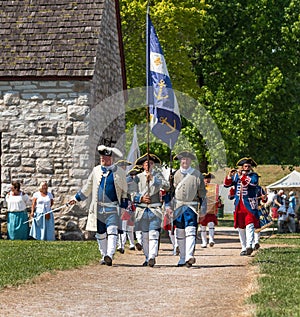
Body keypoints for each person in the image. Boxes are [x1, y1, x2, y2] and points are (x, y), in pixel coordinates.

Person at [69, 145, 128, 266]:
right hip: (98, 207)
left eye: (105, 157)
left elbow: (124, 193)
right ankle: (103, 254)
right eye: (101, 157)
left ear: (110, 158)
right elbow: (88, 187)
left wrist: (123, 207)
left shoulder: (120, 172)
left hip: (113, 207)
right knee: (101, 233)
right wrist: (76, 198)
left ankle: (110, 255)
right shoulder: (96, 170)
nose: (102, 159)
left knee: (112, 230)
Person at [166, 151, 206, 267]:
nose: (185, 161)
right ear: (180, 161)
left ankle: (189, 256)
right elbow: (169, 193)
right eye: (183, 159)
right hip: (178, 207)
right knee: (180, 232)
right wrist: (168, 206)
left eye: (187, 159)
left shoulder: (197, 175)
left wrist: (203, 208)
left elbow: (202, 194)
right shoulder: (173, 175)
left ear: (191, 161)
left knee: (191, 231)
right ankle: (182, 257)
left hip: (191, 207)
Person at [133, 153, 169, 267]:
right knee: (145, 235)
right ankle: (147, 257)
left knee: (154, 233)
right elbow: (131, 193)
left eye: (151, 163)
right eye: (146, 164)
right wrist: (141, 198)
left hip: (155, 209)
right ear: (143, 166)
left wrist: (153, 179)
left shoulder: (158, 176)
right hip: (142, 210)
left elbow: (167, 186)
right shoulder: (137, 178)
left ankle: (152, 256)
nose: (149, 166)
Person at [224, 157, 260, 256]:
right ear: (242, 167)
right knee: (241, 227)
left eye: (249, 166)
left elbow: (252, 183)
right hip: (238, 205)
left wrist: (241, 176)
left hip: (249, 205)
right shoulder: (236, 176)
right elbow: (226, 185)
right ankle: (243, 247)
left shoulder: (254, 176)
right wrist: (230, 176)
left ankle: (249, 245)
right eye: (245, 166)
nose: (247, 168)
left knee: (250, 225)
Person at [115, 160, 133, 254]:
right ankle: (118, 244)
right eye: (122, 166)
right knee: (117, 225)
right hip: (116, 203)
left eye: (124, 166)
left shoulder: (128, 179)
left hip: (126, 204)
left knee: (124, 224)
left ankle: (121, 245)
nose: (124, 168)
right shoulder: (115, 177)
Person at [199, 173, 219, 248]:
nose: (207, 180)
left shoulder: (213, 188)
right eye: (205, 178)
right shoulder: (199, 187)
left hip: (211, 209)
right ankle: (204, 242)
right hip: (202, 209)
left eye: (208, 178)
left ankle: (211, 240)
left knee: (211, 224)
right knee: (203, 226)